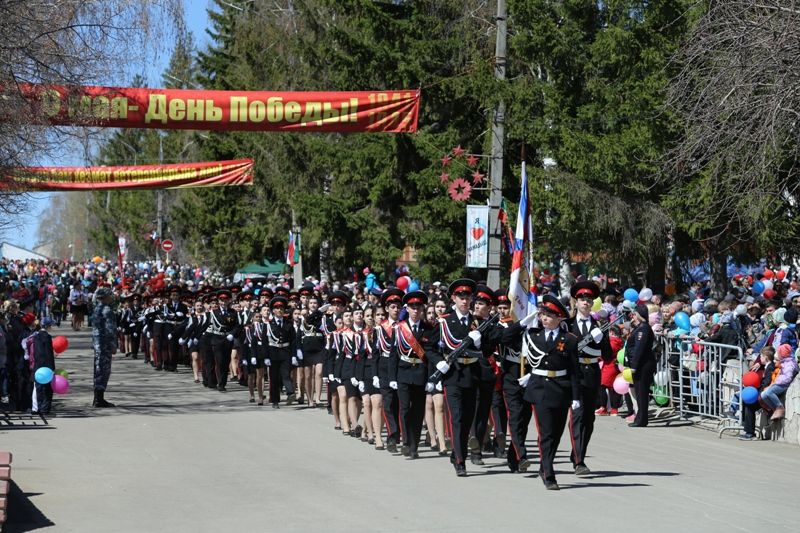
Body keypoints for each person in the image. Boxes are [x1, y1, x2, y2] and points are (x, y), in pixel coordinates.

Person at [516, 294, 580, 490]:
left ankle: (545, 465)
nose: (544, 318)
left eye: (549, 315)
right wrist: (520, 324)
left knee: (556, 432)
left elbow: (574, 370)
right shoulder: (533, 335)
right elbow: (507, 337)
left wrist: (576, 396)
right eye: (543, 315)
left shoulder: (568, 340)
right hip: (540, 388)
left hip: (561, 388)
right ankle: (548, 471)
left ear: (559, 318)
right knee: (545, 432)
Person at [426, 279, 484, 477]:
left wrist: (479, 343)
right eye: (461, 297)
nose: (465, 300)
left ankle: (457, 452)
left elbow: (490, 348)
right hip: (453, 376)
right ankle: (460, 460)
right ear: (453, 298)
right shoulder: (444, 322)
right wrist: (438, 363)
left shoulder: (478, 322)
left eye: (468, 297)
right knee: (457, 417)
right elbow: (429, 347)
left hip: (472, 375)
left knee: (468, 419)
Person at [566, 280, 611, 475]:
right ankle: (579, 461)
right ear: (575, 302)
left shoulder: (599, 326)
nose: (585, 302)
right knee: (577, 417)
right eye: (582, 299)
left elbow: (608, 356)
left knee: (588, 419)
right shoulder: (566, 325)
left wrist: (602, 340)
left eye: (589, 299)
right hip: (574, 374)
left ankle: (579, 451)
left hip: (592, 373)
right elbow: (561, 350)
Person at [389, 290, 430, 459]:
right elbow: (393, 354)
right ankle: (406, 441)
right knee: (405, 409)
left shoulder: (429, 328)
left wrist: (432, 378)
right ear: (408, 308)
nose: (415, 310)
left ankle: (414, 445)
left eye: (418, 307)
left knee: (418, 411)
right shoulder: (399, 328)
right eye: (412, 307)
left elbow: (432, 355)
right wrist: (392, 377)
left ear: (422, 309)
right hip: (403, 372)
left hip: (421, 373)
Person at [376, 287, 404, 453]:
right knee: (388, 404)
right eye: (392, 307)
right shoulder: (380, 329)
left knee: (401, 403)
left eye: (398, 307)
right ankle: (392, 435)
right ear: (386, 309)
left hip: (401, 366)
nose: (396, 310)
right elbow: (375, 353)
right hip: (385, 368)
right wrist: (374, 374)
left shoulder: (404, 327)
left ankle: (402, 433)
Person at [627, 303, 656, 427]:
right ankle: (640, 418)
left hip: (642, 365)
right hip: (641, 364)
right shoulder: (640, 327)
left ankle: (642, 419)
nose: (633, 316)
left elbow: (639, 348)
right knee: (639, 393)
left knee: (642, 393)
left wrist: (634, 365)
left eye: (635, 314)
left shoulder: (643, 328)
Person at [266, 296, 297, 408]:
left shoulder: (289, 323)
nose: (279, 310)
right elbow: (265, 341)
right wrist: (266, 357)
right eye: (277, 308)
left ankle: (290, 393)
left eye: (281, 308)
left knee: (285, 374)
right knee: (274, 378)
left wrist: (294, 355)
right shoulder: (268, 324)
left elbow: (293, 340)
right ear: (273, 311)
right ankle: (275, 401)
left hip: (285, 352)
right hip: (273, 352)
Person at [739, 346, 776, 440]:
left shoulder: (771, 367)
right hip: (762, 393)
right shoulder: (767, 365)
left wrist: (757, 391)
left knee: (750, 406)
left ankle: (750, 433)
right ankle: (746, 427)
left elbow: (767, 383)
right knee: (746, 403)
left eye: (761, 357)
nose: (760, 359)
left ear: (766, 358)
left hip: (765, 396)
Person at [91, 287, 118, 408]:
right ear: (106, 297)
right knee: (104, 369)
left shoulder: (96, 309)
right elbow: (111, 329)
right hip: (105, 343)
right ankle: (99, 399)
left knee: (98, 368)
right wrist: (113, 344)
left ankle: (97, 397)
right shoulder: (107, 310)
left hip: (97, 343)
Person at [761, 343, 798, 420]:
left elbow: (787, 378)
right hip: (779, 383)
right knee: (763, 395)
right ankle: (775, 409)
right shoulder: (784, 362)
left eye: (779, 353)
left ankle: (779, 407)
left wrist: (776, 383)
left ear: (782, 354)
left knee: (769, 392)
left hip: (784, 384)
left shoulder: (789, 364)